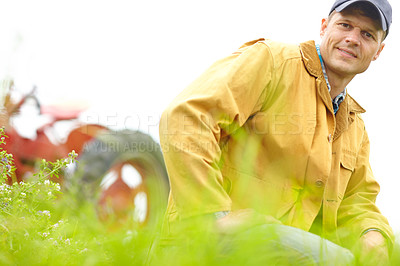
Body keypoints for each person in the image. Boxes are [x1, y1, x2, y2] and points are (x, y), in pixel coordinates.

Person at [158, 0, 394, 264]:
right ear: (324, 27)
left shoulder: (355, 127)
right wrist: (212, 216)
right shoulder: (273, 62)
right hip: (212, 246)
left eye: (367, 34)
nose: (352, 39)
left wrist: (373, 235)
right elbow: (187, 118)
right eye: (345, 25)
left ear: (378, 51)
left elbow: (358, 199)